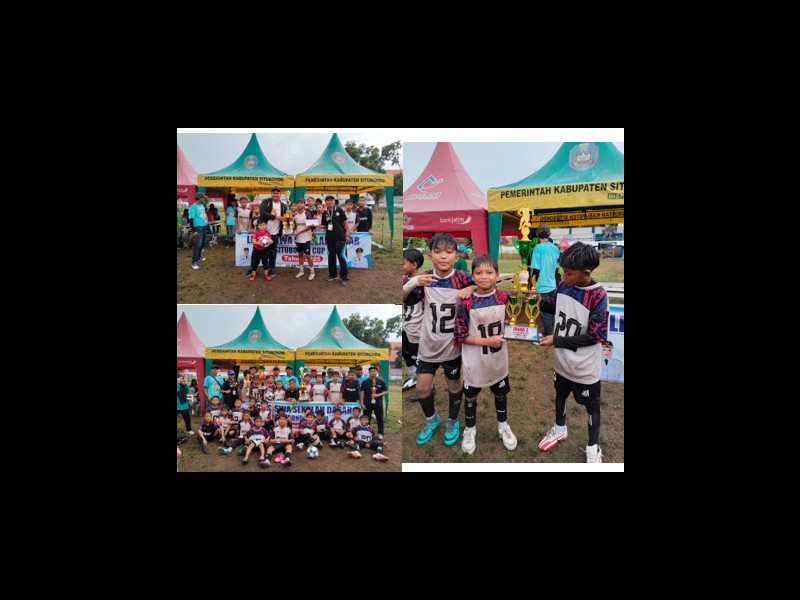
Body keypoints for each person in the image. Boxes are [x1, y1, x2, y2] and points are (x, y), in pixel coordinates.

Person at [536, 242, 609, 463]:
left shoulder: (598, 296)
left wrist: (557, 340)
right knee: (560, 394)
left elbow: (596, 336)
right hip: (562, 362)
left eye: (568, 273)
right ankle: (560, 429)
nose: (564, 276)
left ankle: (593, 446)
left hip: (584, 367)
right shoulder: (564, 285)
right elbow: (558, 307)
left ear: (586, 273)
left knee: (591, 405)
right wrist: (541, 304)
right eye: (563, 271)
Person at [403, 232, 476, 446]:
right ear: (430, 255)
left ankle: (452, 420)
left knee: (453, 384)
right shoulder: (425, 278)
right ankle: (432, 419)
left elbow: (485, 285)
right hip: (428, 345)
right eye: (438, 252)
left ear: (456, 256)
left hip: (452, 345)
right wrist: (413, 282)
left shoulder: (462, 277)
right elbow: (402, 298)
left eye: (448, 252)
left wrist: (471, 287)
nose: (443, 256)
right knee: (422, 387)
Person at [454, 254, 517, 455]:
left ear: (497, 275)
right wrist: (486, 341)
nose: (484, 276)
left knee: (500, 393)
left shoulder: (504, 297)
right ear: (472, 276)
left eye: (489, 272)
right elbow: (460, 335)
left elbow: (517, 314)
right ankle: (470, 429)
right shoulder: (465, 302)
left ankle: (503, 426)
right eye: (478, 273)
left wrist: (534, 299)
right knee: (471, 397)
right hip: (475, 361)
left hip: (498, 360)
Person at [530, 224, 561, 337]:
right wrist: (555, 283)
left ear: (537, 235)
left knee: (545, 312)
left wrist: (532, 285)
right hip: (553, 284)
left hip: (542, 285)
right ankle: (551, 332)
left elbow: (536, 270)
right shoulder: (555, 248)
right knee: (552, 310)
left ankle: (547, 334)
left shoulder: (537, 248)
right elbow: (557, 269)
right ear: (549, 234)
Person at [402, 249, 424, 393]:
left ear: (414, 265)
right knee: (404, 351)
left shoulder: (423, 282)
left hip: (416, 325)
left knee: (417, 357)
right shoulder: (405, 279)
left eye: (403, 263)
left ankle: (427, 385)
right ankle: (414, 377)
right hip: (405, 322)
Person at [321, 195, 349, 286]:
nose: (330, 201)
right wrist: (314, 224)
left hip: (340, 238)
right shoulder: (325, 213)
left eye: (331, 200)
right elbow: (324, 225)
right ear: (325, 202)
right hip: (330, 238)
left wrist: (347, 235)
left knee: (341, 256)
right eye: (328, 200)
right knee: (331, 256)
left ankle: (344, 277)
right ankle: (333, 274)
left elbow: (345, 223)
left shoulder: (339, 210)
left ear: (334, 201)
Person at [260, 187, 286, 279]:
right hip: (264, 232)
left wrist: (286, 220)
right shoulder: (266, 201)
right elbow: (262, 213)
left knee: (273, 252)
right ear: (271, 194)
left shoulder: (283, 205)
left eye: (277, 193)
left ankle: (271, 268)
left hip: (275, 232)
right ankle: (255, 268)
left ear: (280, 195)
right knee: (261, 250)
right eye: (274, 193)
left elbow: (285, 217)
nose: (275, 195)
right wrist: (275, 217)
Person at [360, 366, 388, 440]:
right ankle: (367, 432)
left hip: (378, 403)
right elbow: (362, 392)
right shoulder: (365, 382)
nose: (372, 372)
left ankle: (380, 433)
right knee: (366, 418)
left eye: (374, 371)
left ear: (377, 372)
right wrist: (362, 403)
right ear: (369, 373)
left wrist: (377, 395)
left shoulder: (381, 381)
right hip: (367, 403)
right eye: (371, 371)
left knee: (379, 418)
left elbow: (385, 391)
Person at [293, 199, 316, 280]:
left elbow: (310, 226)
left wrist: (299, 232)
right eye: (298, 203)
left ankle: (312, 272)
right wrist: (293, 230)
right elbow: (295, 226)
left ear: (304, 204)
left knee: (307, 255)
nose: (300, 205)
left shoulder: (307, 213)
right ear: (296, 205)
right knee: (300, 255)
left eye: (301, 203)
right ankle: (301, 271)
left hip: (306, 238)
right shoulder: (295, 215)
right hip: (298, 238)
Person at [188, 194, 209, 269]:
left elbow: (203, 215)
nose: (204, 199)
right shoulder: (193, 207)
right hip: (198, 228)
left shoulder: (202, 205)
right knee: (197, 245)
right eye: (203, 198)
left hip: (204, 226)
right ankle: (194, 262)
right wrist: (193, 231)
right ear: (199, 198)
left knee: (202, 244)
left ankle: (199, 257)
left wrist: (207, 223)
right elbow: (191, 219)